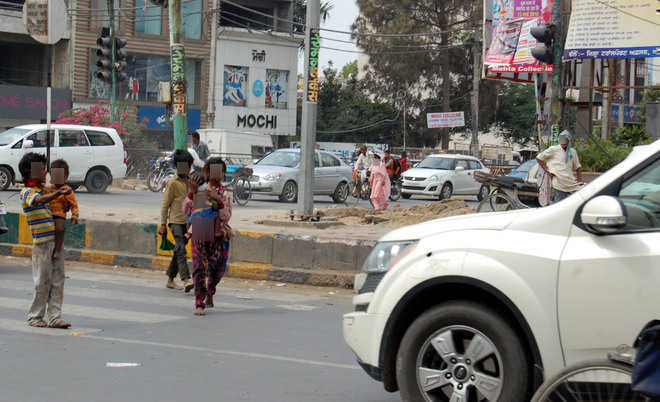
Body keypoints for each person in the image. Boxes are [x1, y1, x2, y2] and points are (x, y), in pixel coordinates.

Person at [19, 152, 72, 329]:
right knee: (42, 282)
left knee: (58, 280)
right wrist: (57, 193)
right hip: (42, 244)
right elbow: (38, 201)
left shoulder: (47, 189)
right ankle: (35, 317)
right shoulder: (27, 192)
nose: (44, 173)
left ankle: (55, 317)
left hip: (56, 243)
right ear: (30, 172)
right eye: (41, 170)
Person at [183, 157, 232, 316]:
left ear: (223, 174)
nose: (217, 175)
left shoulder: (225, 194)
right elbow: (186, 210)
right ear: (207, 172)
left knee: (216, 271)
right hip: (200, 230)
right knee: (199, 268)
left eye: (220, 171)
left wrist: (219, 201)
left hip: (218, 236)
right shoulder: (199, 189)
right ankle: (199, 302)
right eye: (212, 171)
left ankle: (210, 292)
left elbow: (226, 217)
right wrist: (192, 193)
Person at [160, 149, 194, 292]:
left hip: (189, 223)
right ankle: (186, 279)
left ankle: (170, 279)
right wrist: (163, 224)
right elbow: (165, 204)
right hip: (175, 221)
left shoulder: (192, 182)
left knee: (178, 251)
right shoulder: (172, 183)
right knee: (180, 248)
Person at [536, 130, 583, 204]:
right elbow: (539, 158)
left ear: (568, 140)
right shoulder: (553, 149)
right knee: (559, 205)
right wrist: (547, 171)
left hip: (571, 183)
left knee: (575, 203)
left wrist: (580, 181)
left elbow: (578, 167)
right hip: (558, 183)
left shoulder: (573, 151)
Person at [46, 159, 79, 261]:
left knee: (60, 229)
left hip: (59, 214)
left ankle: (58, 249)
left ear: (66, 176)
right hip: (47, 213)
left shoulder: (67, 190)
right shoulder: (48, 188)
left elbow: (74, 205)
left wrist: (75, 215)